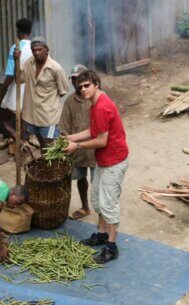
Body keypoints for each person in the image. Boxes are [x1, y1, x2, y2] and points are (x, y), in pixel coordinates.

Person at [63, 70, 129, 264]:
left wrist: (77, 145)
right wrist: (71, 137)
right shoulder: (95, 102)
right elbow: (94, 130)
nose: (83, 89)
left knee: (109, 204)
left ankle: (112, 246)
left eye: (87, 86)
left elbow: (101, 140)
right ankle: (101, 234)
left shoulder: (101, 107)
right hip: (103, 160)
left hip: (114, 161)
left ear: (96, 85)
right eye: (80, 86)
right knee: (97, 199)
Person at [59, 64, 95, 221]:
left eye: (79, 79)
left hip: (96, 148)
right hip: (77, 150)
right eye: (73, 79)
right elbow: (64, 127)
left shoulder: (95, 98)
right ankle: (85, 207)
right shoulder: (69, 102)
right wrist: (64, 140)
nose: (76, 83)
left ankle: (103, 214)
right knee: (81, 179)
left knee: (98, 182)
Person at [20, 36, 69, 148]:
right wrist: (16, 61)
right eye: (34, 50)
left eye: (39, 49)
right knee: (42, 144)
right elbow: (19, 80)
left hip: (49, 117)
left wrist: (47, 100)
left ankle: (54, 166)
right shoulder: (29, 62)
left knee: (51, 145)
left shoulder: (56, 69)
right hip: (33, 116)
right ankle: (45, 165)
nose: (36, 53)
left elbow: (63, 91)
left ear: (46, 49)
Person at [0, 18, 33, 143]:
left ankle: (20, 142)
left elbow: (10, 74)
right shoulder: (35, 47)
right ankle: (23, 141)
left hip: (18, 88)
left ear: (18, 32)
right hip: (31, 89)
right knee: (24, 118)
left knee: (2, 117)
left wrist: (0, 94)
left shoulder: (15, 48)